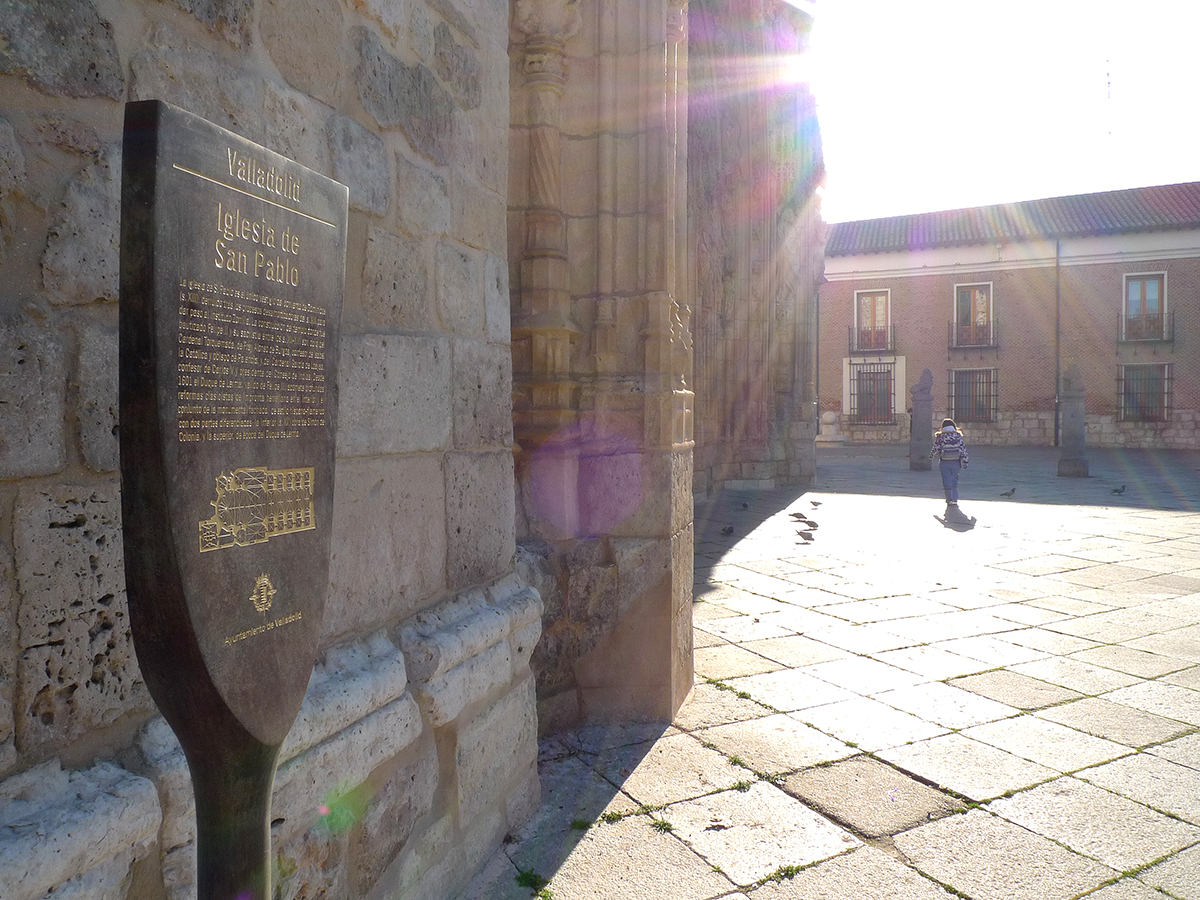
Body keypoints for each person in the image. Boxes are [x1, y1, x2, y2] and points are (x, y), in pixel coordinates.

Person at [929, 418, 969, 507]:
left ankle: (949, 499)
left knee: (946, 480)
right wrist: (965, 462)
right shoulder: (958, 436)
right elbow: (963, 449)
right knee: (954, 481)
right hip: (956, 462)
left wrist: (931, 456)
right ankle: (955, 499)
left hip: (944, 461)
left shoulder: (940, 436)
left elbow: (936, 448)